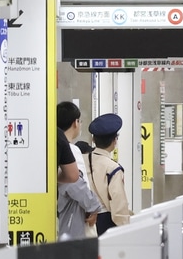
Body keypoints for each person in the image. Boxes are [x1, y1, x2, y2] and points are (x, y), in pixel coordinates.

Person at [56, 101, 102, 240]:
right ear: (75, 123)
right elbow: (75, 183)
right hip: (75, 215)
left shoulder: (54, 146)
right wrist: (93, 206)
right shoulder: (72, 150)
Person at [87, 113, 132, 236]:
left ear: (93, 140)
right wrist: (125, 227)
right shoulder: (113, 168)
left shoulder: (82, 159)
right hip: (105, 221)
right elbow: (119, 203)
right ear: (114, 141)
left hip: (84, 219)